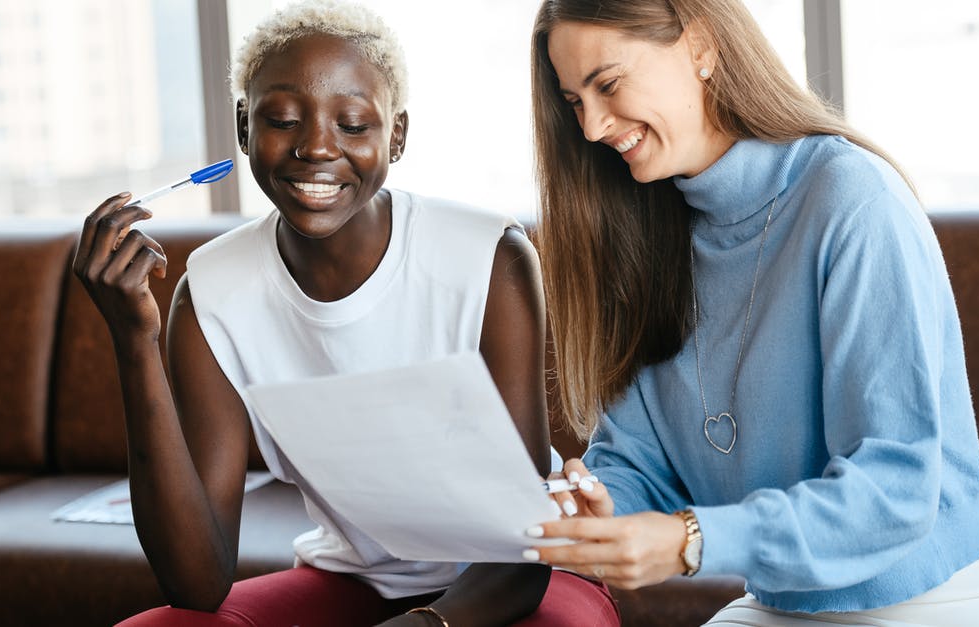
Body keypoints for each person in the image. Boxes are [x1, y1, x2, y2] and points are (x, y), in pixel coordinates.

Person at [72, 1, 619, 625]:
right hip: (358, 583)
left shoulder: (489, 260)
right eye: (282, 119)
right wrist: (134, 341)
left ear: (398, 136)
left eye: (354, 125)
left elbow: (522, 546)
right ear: (245, 127)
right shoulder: (212, 292)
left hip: (521, 581)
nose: (316, 147)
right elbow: (195, 583)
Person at [520, 0, 979, 624]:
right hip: (782, 602)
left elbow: (892, 492)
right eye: (574, 103)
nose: (592, 127)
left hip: (927, 600)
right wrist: (596, 509)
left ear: (701, 46)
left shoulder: (852, 200)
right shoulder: (645, 232)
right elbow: (638, 462)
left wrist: (690, 540)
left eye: (609, 84)